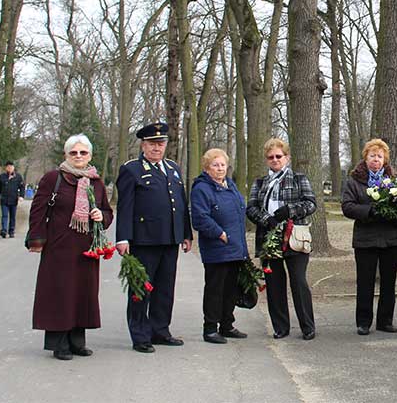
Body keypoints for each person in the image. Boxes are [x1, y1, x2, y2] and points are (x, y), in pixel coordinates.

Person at [28, 134, 113, 360]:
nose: (78, 156)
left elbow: (108, 212)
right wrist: (36, 239)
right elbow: (38, 211)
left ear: (90, 156)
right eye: (73, 152)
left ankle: (77, 342)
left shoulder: (95, 182)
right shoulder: (53, 178)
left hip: (86, 248)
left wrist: (101, 216)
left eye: (83, 152)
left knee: (82, 294)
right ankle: (59, 344)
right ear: (66, 155)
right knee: (60, 293)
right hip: (59, 247)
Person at [115, 122, 193, 354]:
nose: (156, 148)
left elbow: (181, 204)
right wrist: (123, 238)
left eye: (160, 143)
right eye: (152, 144)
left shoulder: (173, 168)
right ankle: (140, 334)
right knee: (141, 288)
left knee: (165, 288)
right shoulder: (131, 169)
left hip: (170, 239)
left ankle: (160, 330)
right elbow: (125, 207)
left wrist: (186, 234)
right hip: (144, 240)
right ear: (143, 145)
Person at [246, 138, 317, 341]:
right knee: (274, 284)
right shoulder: (260, 183)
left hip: (294, 237)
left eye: (279, 156)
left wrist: (290, 210)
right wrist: (265, 219)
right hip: (268, 238)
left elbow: (311, 203)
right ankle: (280, 326)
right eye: (271, 157)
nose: (275, 160)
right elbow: (250, 208)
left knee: (299, 281)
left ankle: (307, 326)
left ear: (287, 157)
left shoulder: (298, 179)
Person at [341, 139, 397, 335]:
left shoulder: (395, 180)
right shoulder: (354, 181)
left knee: (388, 282)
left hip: (391, 238)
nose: (376, 159)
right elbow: (347, 206)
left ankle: (385, 321)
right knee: (365, 282)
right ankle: (363, 322)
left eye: (379, 156)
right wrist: (369, 211)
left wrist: (394, 210)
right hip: (365, 238)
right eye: (372, 156)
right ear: (365, 158)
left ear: (385, 159)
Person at [191, 148, 249, 344]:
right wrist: (219, 233)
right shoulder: (201, 189)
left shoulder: (230, 185)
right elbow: (200, 218)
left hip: (235, 247)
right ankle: (210, 328)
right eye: (215, 165)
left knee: (230, 289)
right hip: (217, 247)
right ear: (207, 168)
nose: (220, 168)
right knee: (215, 289)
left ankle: (227, 324)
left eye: (223, 165)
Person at [0, 161, 25, 238]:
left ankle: (11, 231)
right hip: (4, 200)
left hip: (13, 200)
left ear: (13, 168)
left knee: (12, 216)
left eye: (11, 167)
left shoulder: (18, 177)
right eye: (8, 167)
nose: (10, 168)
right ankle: (4, 230)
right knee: (4, 215)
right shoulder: (2, 176)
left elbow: (22, 187)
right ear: (6, 168)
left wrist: (21, 196)